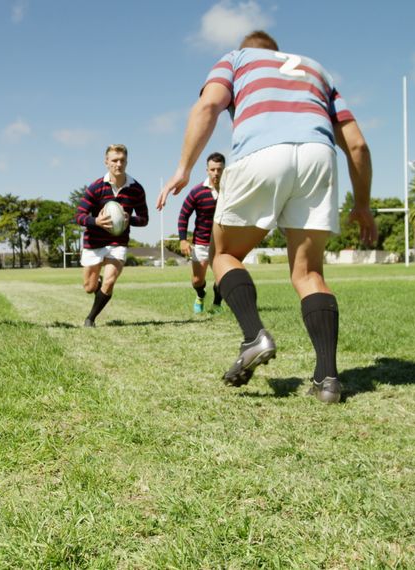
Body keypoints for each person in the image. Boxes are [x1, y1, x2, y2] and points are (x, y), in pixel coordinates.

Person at [157, 30, 377, 403]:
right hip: (318, 156)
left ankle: (253, 336)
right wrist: (363, 204)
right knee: (309, 274)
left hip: (262, 153)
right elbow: (356, 143)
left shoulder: (236, 59)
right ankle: (327, 380)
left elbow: (208, 106)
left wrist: (183, 167)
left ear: (249, 50)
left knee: (224, 255)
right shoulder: (316, 69)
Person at [74, 144, 149, 327]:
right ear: (106, 162)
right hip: (94, 242)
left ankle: (90, 318)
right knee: (89, 287)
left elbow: (144, 219)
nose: (118, 164)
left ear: (127, 162)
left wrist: (128, 219)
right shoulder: (96, 187)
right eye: (114, 160)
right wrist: (96, 222)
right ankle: (95, 284)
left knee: (109, 281)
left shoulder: (136, 189)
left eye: (122, 160)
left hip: (118, 242)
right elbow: (79, 216)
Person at [177, 152, 226, 314]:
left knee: (223, 277)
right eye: (213, 170)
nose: (216, 173)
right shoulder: (197, 191)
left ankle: (217, 304)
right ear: (207, 170)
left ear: (224, 169)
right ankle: (200, 295)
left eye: (219, 169)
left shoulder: (231, 191)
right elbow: (184, 215)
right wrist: (183, 240)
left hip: (223, 244)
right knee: (197, 280)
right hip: (201, 243)